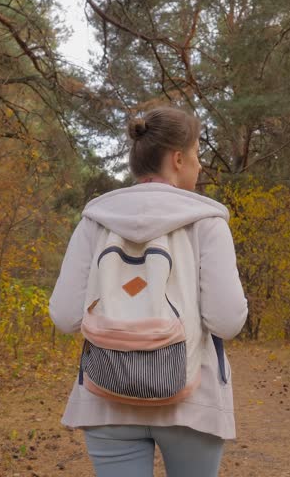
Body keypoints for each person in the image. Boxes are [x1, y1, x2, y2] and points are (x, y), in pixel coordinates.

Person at [48, 106, 248, 477]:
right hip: (193, 401)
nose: (200, 165)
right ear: (177, 159)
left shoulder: (95, 220)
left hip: (107, 397)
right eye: (197, 155)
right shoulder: (207, 221)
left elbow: (64, 316)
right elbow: (227, 321)